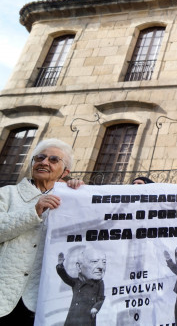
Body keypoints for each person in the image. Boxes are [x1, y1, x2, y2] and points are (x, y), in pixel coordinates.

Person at [0, 138, 84, 323]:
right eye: (39, 158)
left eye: (53, 160)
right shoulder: (7, 193)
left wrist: (81, 196)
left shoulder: (68, 201)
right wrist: (34, 211)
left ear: (65, 172)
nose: (44, 162)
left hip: (39, 302)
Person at [56, 248, 106, 326]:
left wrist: (95, 308)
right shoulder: (76, 282)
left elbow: (101, 298)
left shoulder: (99, 283)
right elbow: (64, 276)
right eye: (94, 262)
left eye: (104, 262)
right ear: (79, 267)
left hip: (87, 318)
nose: (101, 267)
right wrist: (60, 266)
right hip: (73, 317)